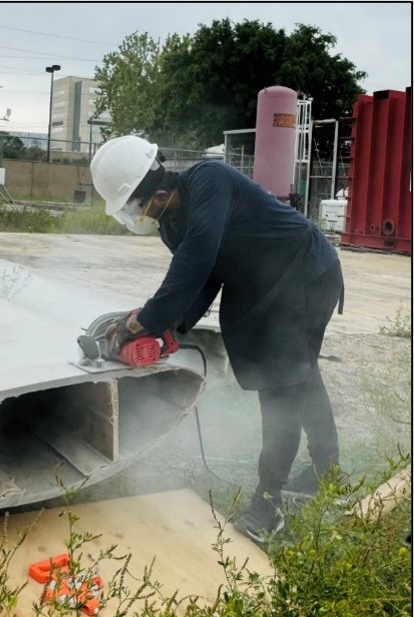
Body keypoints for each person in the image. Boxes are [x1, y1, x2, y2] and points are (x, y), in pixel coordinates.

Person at [89, 135, 344, 542]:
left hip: (304, 274)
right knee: (300, 374)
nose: (135, 214)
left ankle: (269, 501)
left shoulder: (209, 180)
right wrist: (169, 329)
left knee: (283, 384)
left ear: (152, 192)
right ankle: (328, 473)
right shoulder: (170, 223)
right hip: (268, 282)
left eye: (132, 205)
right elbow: (206, 278)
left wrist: (145, 321)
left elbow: (199, 259)